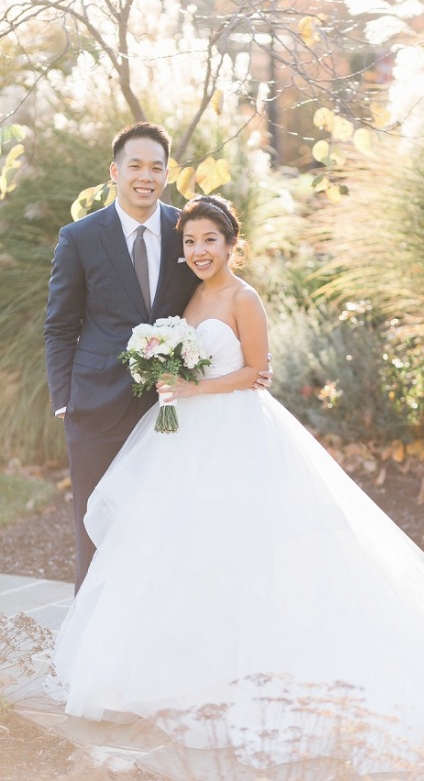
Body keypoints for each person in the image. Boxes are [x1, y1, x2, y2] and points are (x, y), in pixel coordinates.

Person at [48, 195, 424, 774]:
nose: (199, 250)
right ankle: (189, 674)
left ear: (232, 243)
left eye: (210, 240)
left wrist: (193, 389)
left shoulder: (243, 296)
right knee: (187, 554)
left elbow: (254, 374)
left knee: (250, 551)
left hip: (235, 434)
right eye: (190, 242)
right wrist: (167, 372)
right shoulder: (189, 296)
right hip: (183, 439)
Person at [44, 123, 270, 592]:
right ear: (115, 171)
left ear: (168, 173)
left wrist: (247, 362)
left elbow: (220, 293)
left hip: (175, 412)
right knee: (97, 526)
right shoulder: (79, 238)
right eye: (136, 166)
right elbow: (61, 326)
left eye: (156, 167)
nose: (146, 176)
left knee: (166, 530)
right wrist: (64, 398)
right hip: (95, 407)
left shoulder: (187, 231)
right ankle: (90, 651)